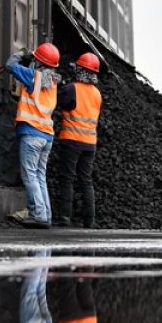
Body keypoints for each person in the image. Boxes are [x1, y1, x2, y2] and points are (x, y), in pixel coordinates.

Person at [5, 42, 62, 229]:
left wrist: (21, 53)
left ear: (38, 62)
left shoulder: (33, 77)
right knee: (39, 175)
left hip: (31, 134)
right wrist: (33, 60)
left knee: (29, 175)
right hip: (47, 136)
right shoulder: (52, 82)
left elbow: (10, 65)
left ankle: (38, 214)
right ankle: (45, 214)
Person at [54, 52, 102, 228]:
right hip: (90, 144)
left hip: (72, 139)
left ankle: (65, 217)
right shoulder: (97, 94)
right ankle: (89, 220)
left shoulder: (71, 88)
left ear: (80, 70)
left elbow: (58, 102)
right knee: (86, 180)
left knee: (67, 178)